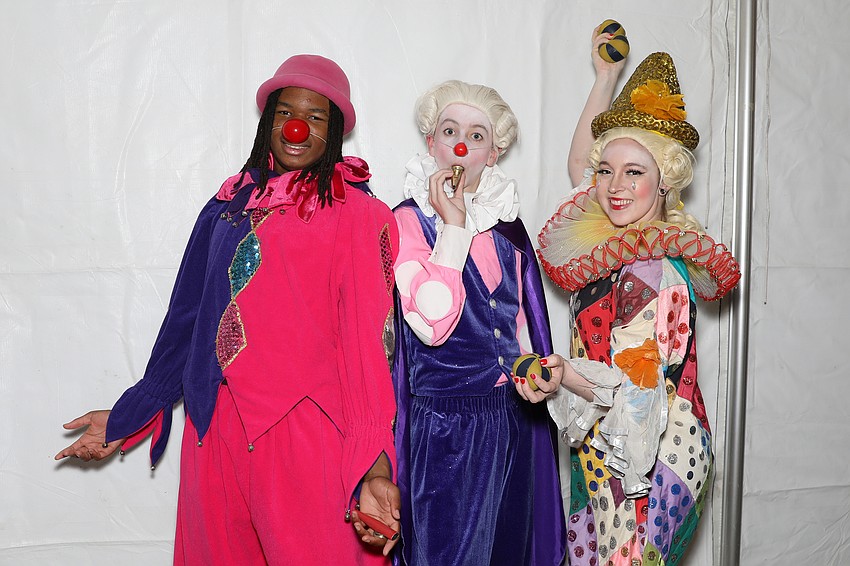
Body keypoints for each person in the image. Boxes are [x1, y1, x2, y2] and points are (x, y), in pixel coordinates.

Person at [55, 54, 401, 565]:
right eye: (284, 113)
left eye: (315, 116)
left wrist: (374, 471)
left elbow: (366, 348)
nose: (297, 127)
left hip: (304, 434)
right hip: (213, 433)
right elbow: (187, 321)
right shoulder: (226, 207)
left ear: (335, 131)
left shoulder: (358, 214)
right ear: (268, 122)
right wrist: (130, 413)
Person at [536, 52, 741, 566]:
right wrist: (606, 79)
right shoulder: (616, 240)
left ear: (664, 182)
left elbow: (630, 390)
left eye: (634, 173)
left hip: (648, 451)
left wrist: (560, 373)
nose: (614, 186)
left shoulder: (649, 270)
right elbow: (581, 164)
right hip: (611, 444)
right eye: (608, 171)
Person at [391, 80, 565, 566]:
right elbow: (430, 323)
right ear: (432, 143)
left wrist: (534, 370)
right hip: (446, 424)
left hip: (513, 418)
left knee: (513, 552)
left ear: (493, 153)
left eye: (477, 135)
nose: (461, 145)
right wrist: (453, 224)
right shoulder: (407, 222)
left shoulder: (507, 225)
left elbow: (523, 327)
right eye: (450, 131)